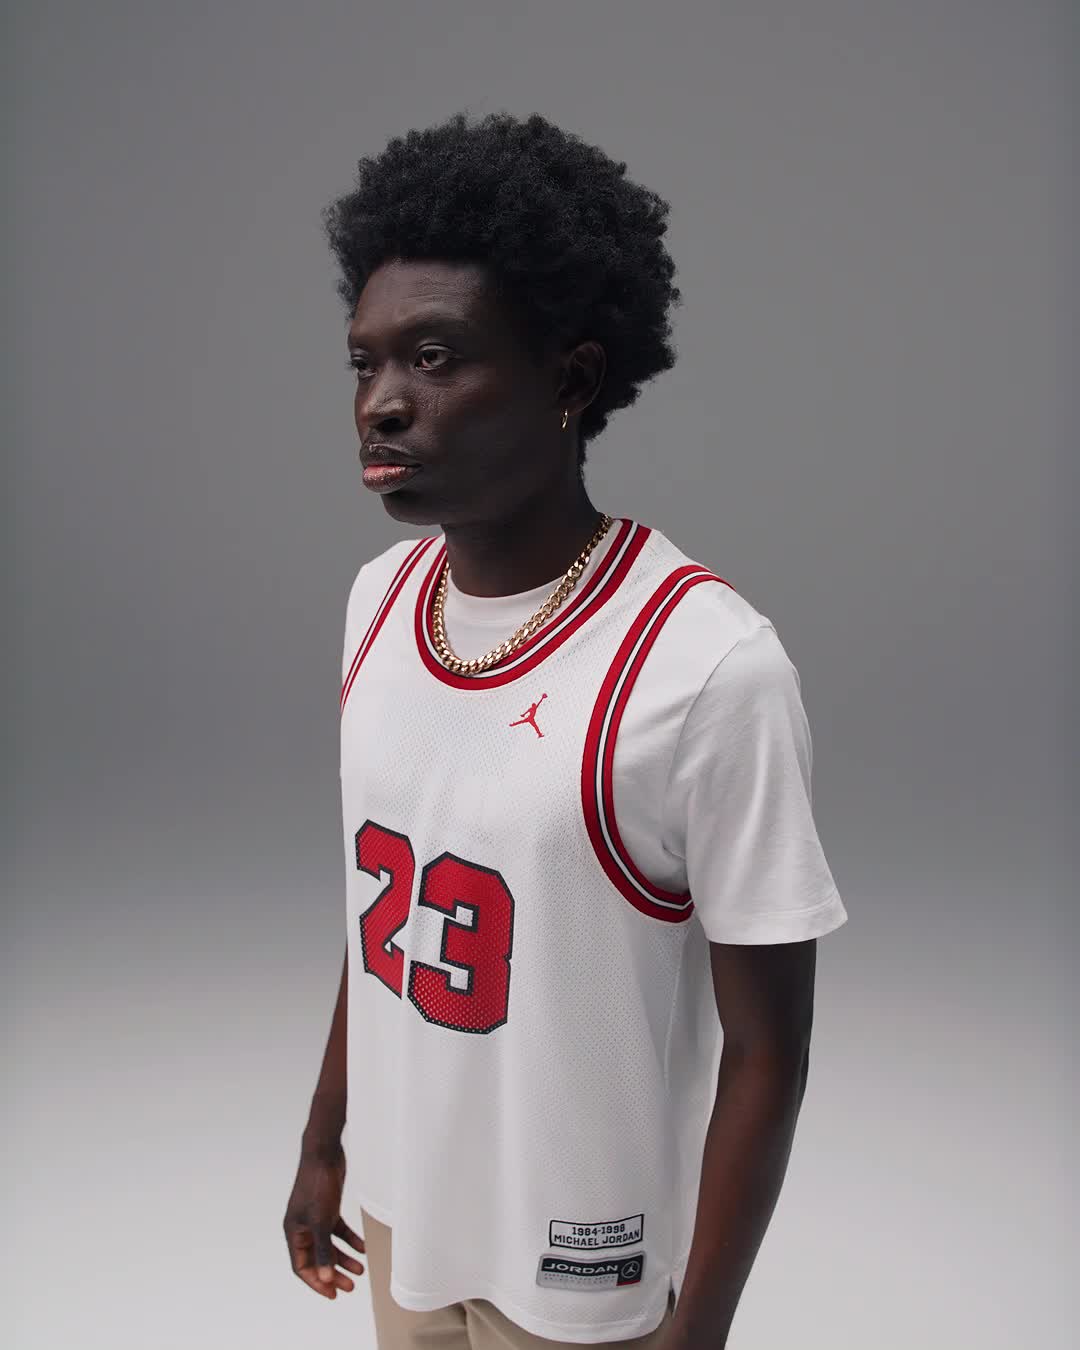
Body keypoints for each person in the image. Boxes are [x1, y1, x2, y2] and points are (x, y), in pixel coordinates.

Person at [283, 109, 848, 1350]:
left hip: (583, 1272)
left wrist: (698, 1332)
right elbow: (390, 909)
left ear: (572, 382)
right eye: (365, 364)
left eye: (435, 358)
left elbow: (769, 1050)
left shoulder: (706, 667)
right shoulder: (378, 605)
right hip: (407, 1221)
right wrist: (326, 1141)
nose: (383, 403)